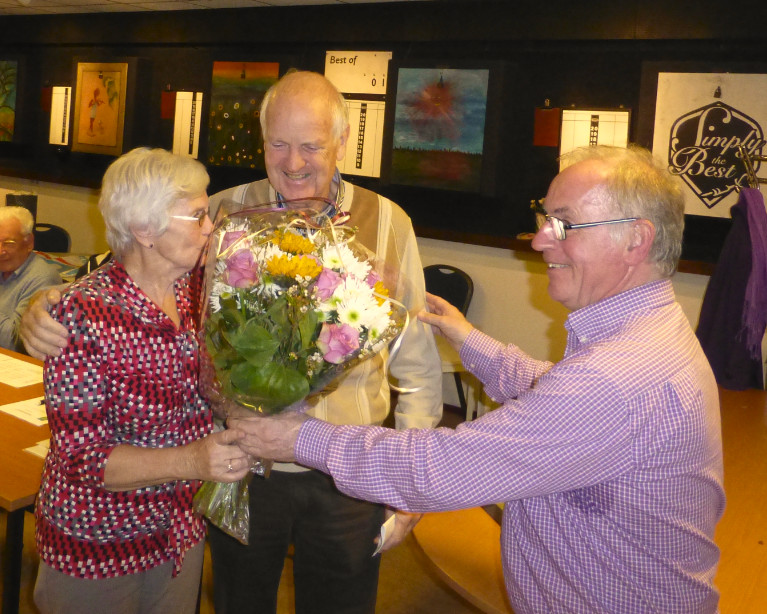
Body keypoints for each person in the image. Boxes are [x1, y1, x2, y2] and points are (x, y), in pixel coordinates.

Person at [229, 145, 726, 613]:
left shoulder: (615, 380)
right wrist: (466, 337)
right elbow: (552, 393)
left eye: (564, 224)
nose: (539, 239)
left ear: (636, 239)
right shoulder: (645, 333)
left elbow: (439, 469)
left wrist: (300, 438)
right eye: (544, 219)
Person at [22, 71, 443, 614]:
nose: (294, 163)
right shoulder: (220, 212)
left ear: (342, 143)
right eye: (278, 143)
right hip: (241, 466)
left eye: (312, 145)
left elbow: (418, 362)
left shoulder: (389, 224)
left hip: (347, 470)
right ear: (261, 140)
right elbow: (130, 263)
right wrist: (43, 305)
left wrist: (412, 483)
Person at [33, 148, 251, 614]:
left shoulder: (198, 291)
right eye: (196, 216)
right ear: (144, 229)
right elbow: (84, 460)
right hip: (100, 545)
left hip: (179, 533)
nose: (209, 227)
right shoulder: (83, 314)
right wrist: (194, 459)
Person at [0, 206, 61, 352]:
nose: (0, 251)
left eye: (9, 243)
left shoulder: (43, 278)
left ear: (29, 243)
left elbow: (16, 343)